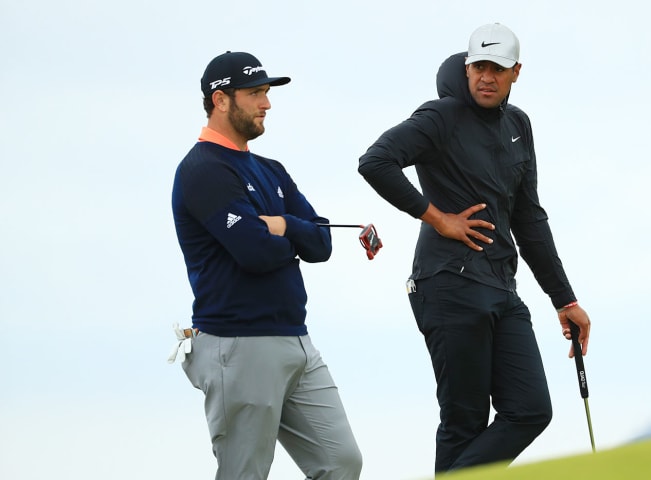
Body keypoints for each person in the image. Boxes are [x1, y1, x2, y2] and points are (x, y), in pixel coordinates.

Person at [357, 24, 592, 473]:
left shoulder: (518, 125)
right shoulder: (440, 116)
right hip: (447, 283)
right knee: (464, 422)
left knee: (530, 409)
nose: (487, 77)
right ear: (467, 68)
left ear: (516, 72)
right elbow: (376, 161)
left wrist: (564, 299)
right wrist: (437, 217)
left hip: (502, 286)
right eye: (479, 67)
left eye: (498, 69)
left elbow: (529, 218)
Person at [171, 51, 362, 480]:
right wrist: (290, 235)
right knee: (245, 473)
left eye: (266, 93)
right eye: (256, 93)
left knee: (342, 463)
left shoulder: (270, 168)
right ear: (221, 100)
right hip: (238, 344)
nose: (267, 104)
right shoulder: (202, 169)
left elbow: (322, 241)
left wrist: (279, 224)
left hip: (296, 341)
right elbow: (255, 254)